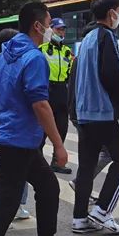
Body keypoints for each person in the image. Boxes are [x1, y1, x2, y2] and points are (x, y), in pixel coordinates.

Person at [0, 2, 78, 236]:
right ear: (37, 26)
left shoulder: (4, 56)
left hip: (15, 139)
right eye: (49, 22)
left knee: (47, 187)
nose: (52, 29)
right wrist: (59, 145)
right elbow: (41, 104)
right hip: (18, 141)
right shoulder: (34, 58)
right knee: (5, 202)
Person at [72, 0, 119, 236]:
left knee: (86, 166)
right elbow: (112, 74)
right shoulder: (107, 37)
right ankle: (102, 210)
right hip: (106, 112)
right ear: (111, 12)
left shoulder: (87, 38)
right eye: (118, 11)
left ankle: (79, 218)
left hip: (85, 113)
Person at [0, 28, 30, 223]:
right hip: (2, 126)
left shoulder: (4, 64)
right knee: (0, 171)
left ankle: (17, 206)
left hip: (14, 127)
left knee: (23, 169)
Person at [67, 19, 112, 208]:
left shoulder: (80, 57)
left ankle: (81, 188)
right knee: (106, 153)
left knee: (92, 154)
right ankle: (81, 185)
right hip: (85, 113)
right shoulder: (86, 57)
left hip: (79, 112)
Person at [38, 18, 74, 174]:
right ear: (50, 30)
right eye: (58, 29)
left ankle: (57, 162)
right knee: (43, 130)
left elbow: (70, 74)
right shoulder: (42, 49)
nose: (61, 32)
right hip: (47, 90)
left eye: (63, 29)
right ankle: (37, 162)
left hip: (62, 91)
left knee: (62, 128)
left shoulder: (67, 51)